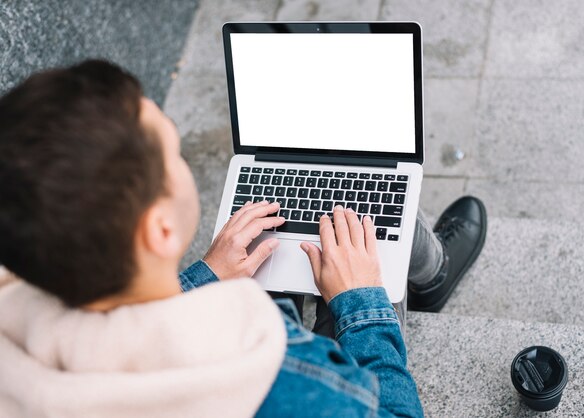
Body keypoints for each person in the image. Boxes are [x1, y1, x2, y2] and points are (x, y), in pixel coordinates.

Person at [0, 60, 486, 417]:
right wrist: (361, 304)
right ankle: (431, 274)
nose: (180, 150)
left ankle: (429, 271)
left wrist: (203, 278)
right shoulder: (277, 371)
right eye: (173, 149)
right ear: (161, 230)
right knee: (366, 236)